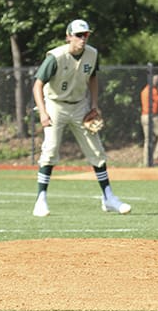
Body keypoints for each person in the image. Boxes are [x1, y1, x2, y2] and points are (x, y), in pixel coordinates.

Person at [32, 19, 131, 217]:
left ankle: (109, 198)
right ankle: (40, 200)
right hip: (55, 104)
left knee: (96, 151)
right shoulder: (56, 57)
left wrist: (94, 105)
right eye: (78, 35)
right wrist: (43, 112)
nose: (82, 39)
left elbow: (93, 77)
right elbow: (37, 84)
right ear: (68, 36)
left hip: (79, 105)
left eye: (85, 35)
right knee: (50, 150)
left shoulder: (92, 54)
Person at [140, 74, 158, 166]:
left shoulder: (144, 90)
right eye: (157, 81)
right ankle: (156, 157)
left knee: (148, 140)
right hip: (152, 117)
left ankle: (146, 161)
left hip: (144, 116)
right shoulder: (153, 91)